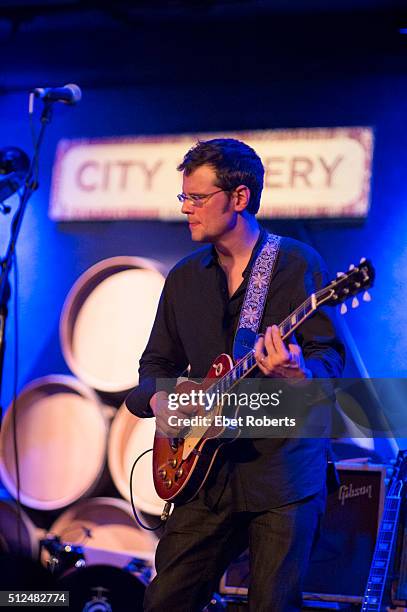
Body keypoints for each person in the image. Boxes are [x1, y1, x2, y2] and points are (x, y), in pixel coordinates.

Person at [125, 138, 345, 612]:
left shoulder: (297, 265)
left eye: (197, 198)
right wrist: (162, 402)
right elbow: (153, 369)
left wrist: (296, 372)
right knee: (164, 601)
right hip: (205, 474)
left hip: (281, 475)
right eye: (184, 197)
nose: (186, 209)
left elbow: (328, 361)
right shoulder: (184, 278)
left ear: (239, 198)